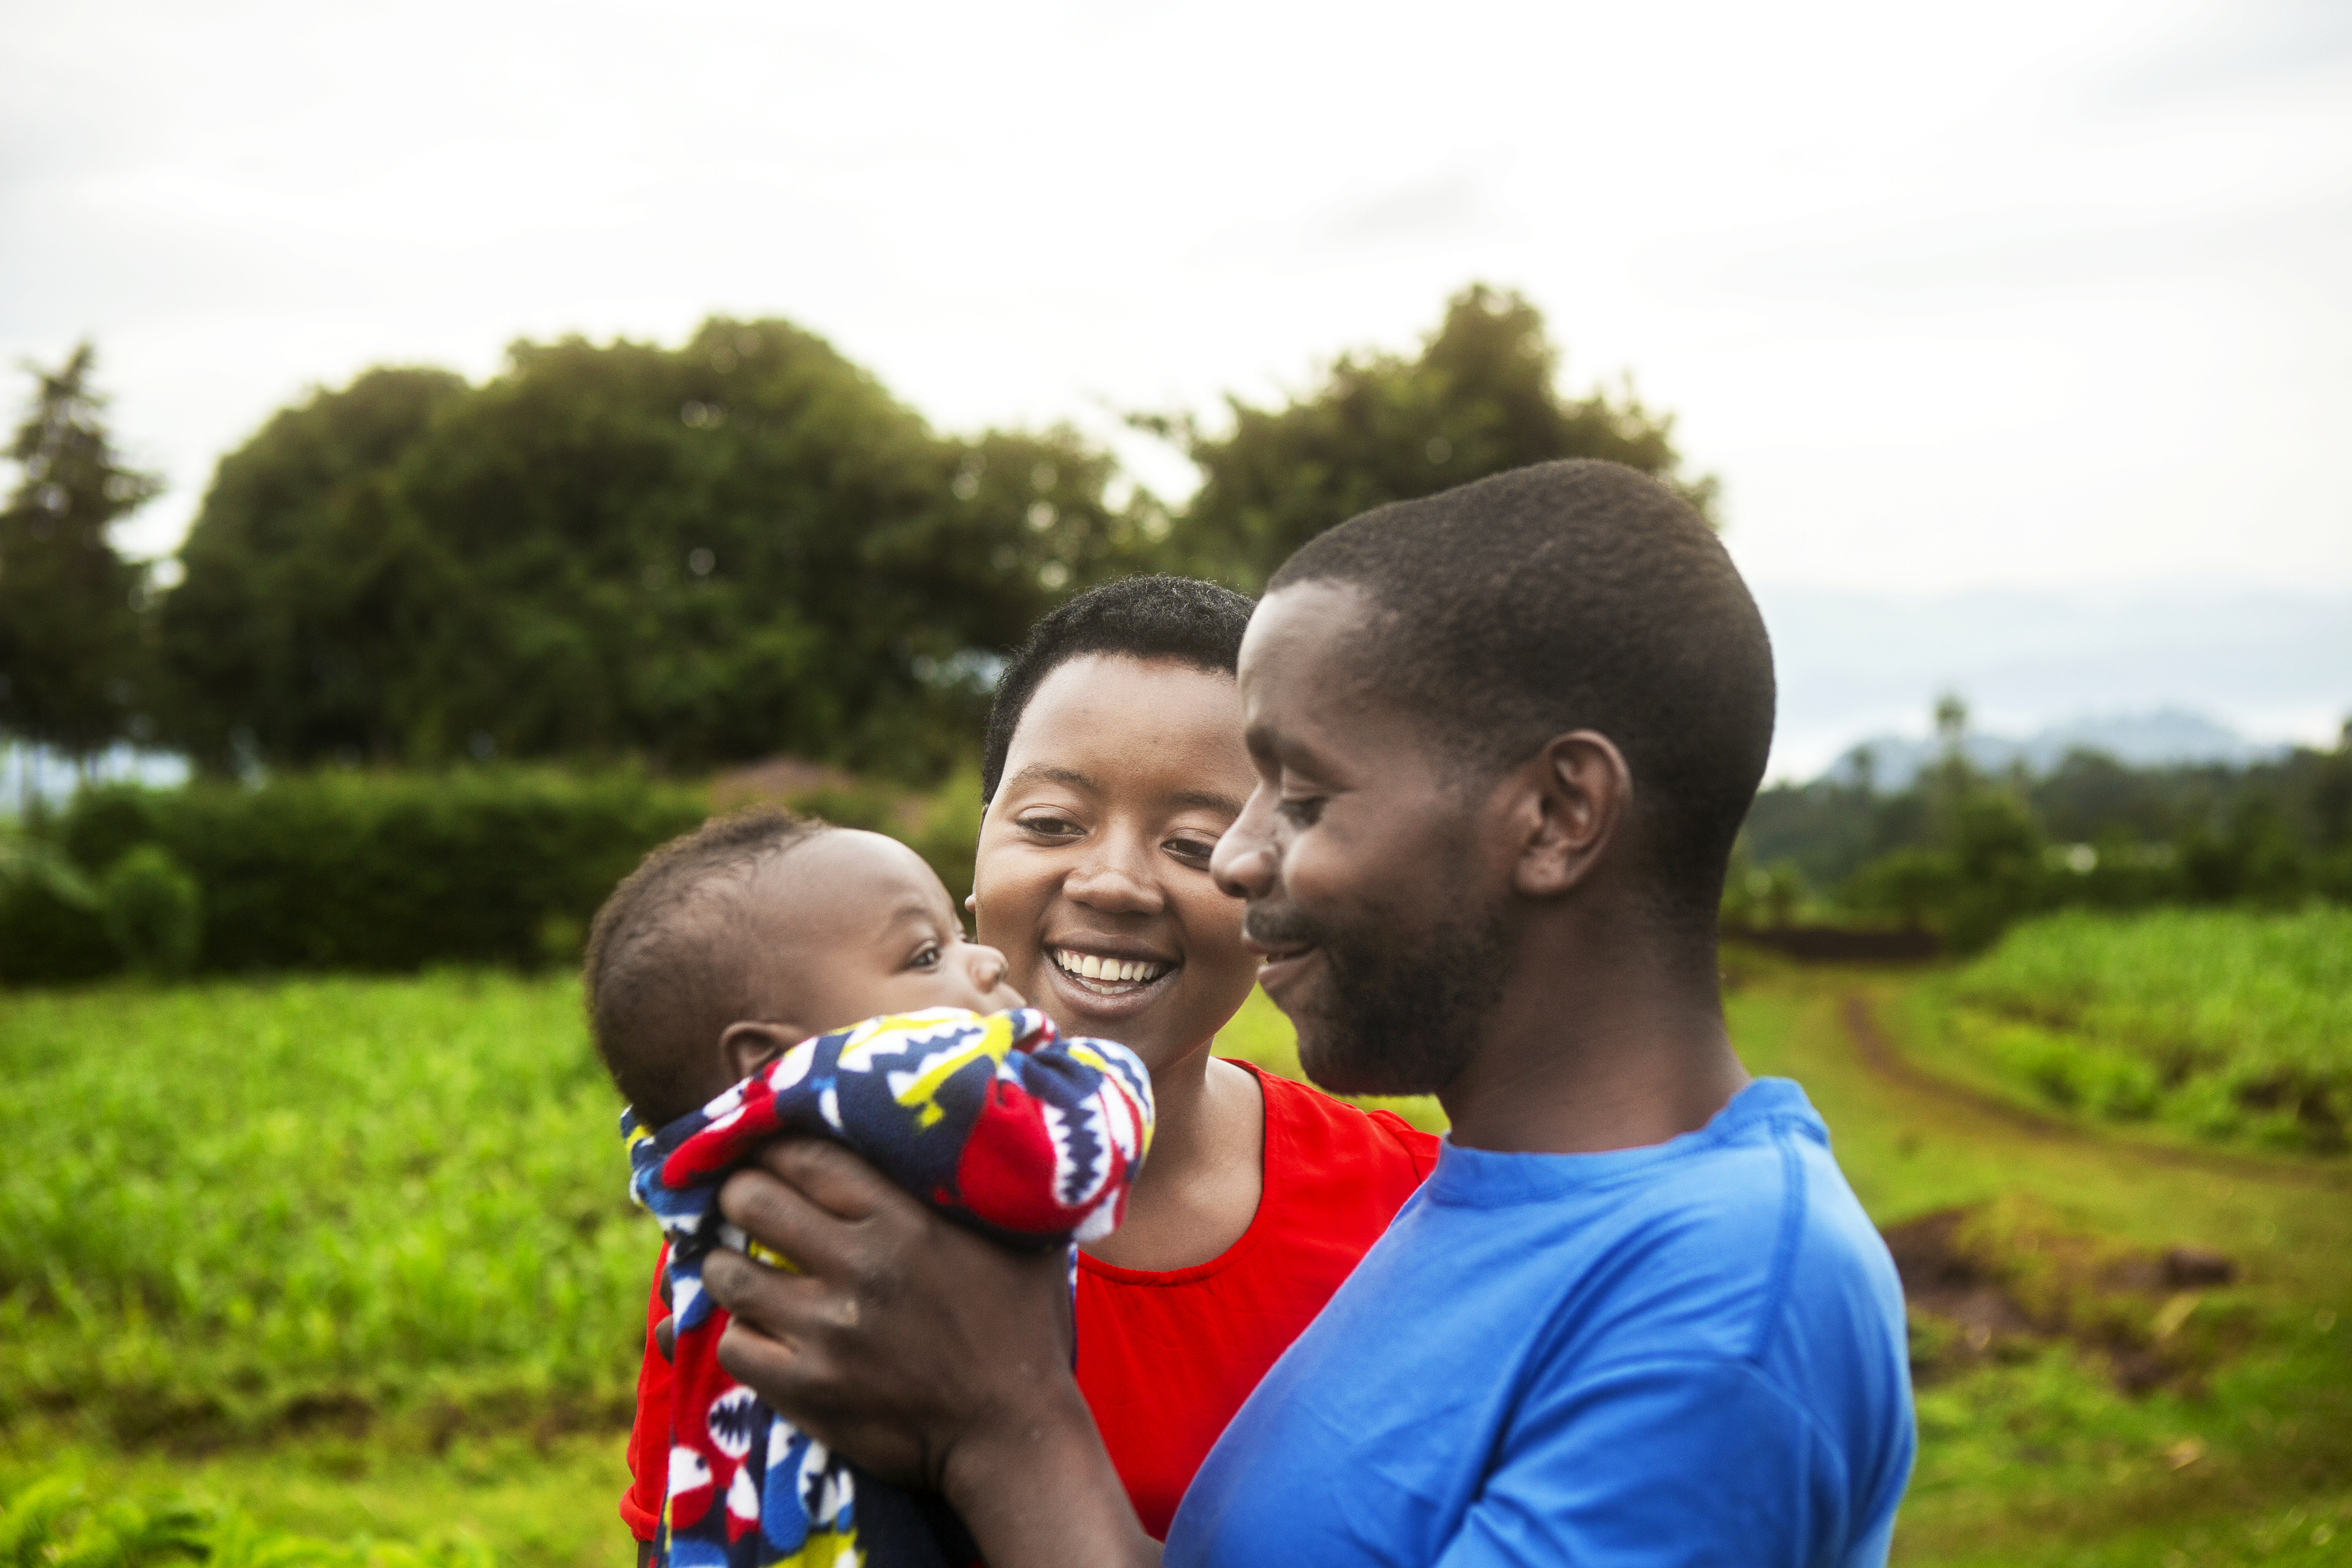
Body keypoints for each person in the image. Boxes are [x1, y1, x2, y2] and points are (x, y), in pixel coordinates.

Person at [694, 461, 1918, 1565]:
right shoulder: (1486, 1209)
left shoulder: (1729, 1305)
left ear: (1556, 816)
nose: (1230, 862)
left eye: (1304, 798)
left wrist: (1003, 1427)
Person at [618, 576, 1439, 1549]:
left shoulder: (1413, 1222)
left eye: (1194, 842)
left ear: (1273, 878)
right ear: (977, 847)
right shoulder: (797, 1208)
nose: (1113, 882)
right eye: (1051, 823)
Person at [587, 811, 1152, 1567]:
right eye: (926, 955)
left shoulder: (703, 1170)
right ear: (774, 1060)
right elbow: (1069, 1162)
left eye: (958, 934)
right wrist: (1099, 1067)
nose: (984, 962)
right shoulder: (865, 1085)